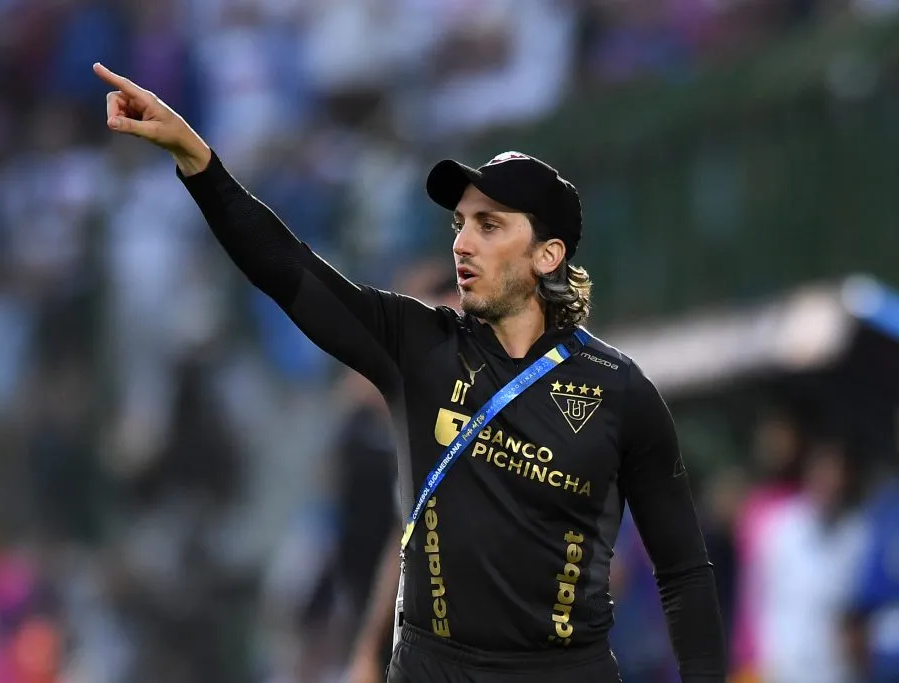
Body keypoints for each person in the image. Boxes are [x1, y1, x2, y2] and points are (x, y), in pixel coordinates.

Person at [93, 62, 726, 683]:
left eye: (489, 225)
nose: (462, 242)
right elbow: (286, 269)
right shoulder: (417, 344)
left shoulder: (621, 392)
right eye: (459, 225)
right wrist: (198, 162)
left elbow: (684, 571)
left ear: (547, 254)